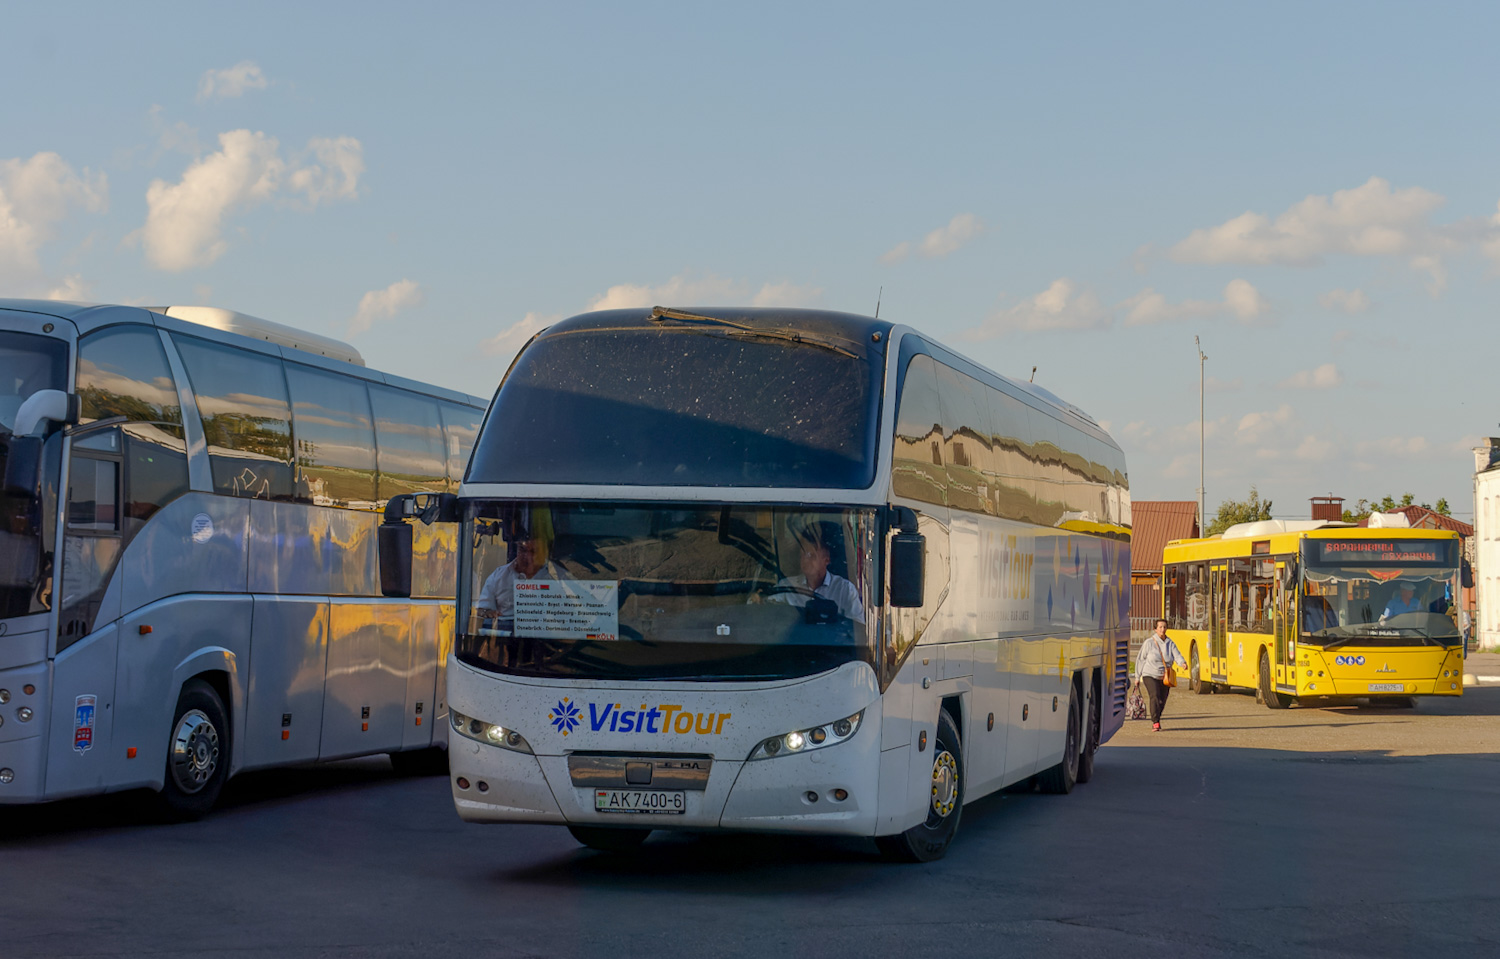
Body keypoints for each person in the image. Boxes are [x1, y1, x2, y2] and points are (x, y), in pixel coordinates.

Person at [765, 523, 865, 624]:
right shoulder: (786, 586)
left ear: (827, 560)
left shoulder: (845, 590)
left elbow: (858, 630)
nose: (804, 560)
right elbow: (766, 612)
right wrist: (757, 600)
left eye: (810, 555)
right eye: (802, 554)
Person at [475, 525, 568, 632]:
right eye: (522, 550)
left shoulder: (558, 577)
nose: (527, 556)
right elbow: (482, 610)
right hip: (506, 641)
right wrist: (487, 613)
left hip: (546, 639)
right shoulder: (498, 576)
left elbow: (572, 614)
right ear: (516, 549)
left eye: (533, 551)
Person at [1135, 618, 1187, 732]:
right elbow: (1141, 659)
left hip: (1165, 676)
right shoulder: (1149, 643)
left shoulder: (1170, 643)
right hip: (1150, 674)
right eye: (1160, 627)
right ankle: (1155, 722)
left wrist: (1182, 663)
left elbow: (1177, 655)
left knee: (1162, 700)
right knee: (1155, 696)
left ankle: (1157, 716)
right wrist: (1137, 677)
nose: (1162, 629)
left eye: (1164, 627)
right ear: (1155, 629)